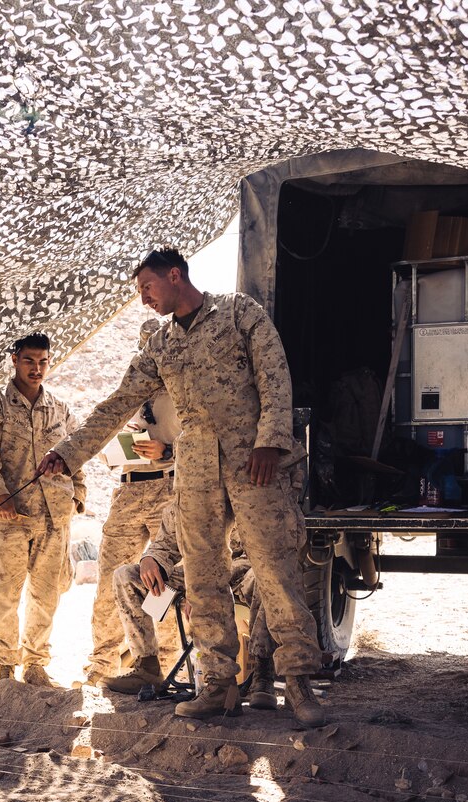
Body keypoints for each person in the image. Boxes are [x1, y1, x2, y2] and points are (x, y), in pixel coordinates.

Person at [39, 248, 325, 723]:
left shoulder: (238, 312)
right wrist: (69, 454)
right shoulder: (160, 346)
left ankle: (297, 683)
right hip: (195, 470)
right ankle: (216, 684)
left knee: (275, 570)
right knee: (203, 576)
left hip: (253, 462)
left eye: (147, 287)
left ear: (175, 276)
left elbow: (275, 377)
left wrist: (270, 442)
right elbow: (116, 404)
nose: (144, 298)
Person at [0, 333, 86, 686]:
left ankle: (36, 662)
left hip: (54, 516)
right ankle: (4, 663)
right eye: (29, 361)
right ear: (15, 360)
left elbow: (76, 452)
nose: (36, 369)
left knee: (46, 592)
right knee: (5, 591)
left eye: (42, 362)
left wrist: (78, 493)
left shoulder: (60, 408)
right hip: (11, 516)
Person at [104, 502, 276, 704]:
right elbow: (164, 545)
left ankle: (263, 675)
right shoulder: (185, 497)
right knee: (126, 576)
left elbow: (265, 551)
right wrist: (150, 559)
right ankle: (147, 668)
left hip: (241, 574)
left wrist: (203, 589)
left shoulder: (245, 497)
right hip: (195, 574)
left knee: (266, 578)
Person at [83, 335, 180, 686]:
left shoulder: (182, 394)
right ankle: (103, 663)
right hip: (127, 489)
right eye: (143, 349)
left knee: (161, 583)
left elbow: (201, 446)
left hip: (167, 488)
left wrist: (167, 450)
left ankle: (168, 663)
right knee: (111, 577)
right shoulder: (129, 395)